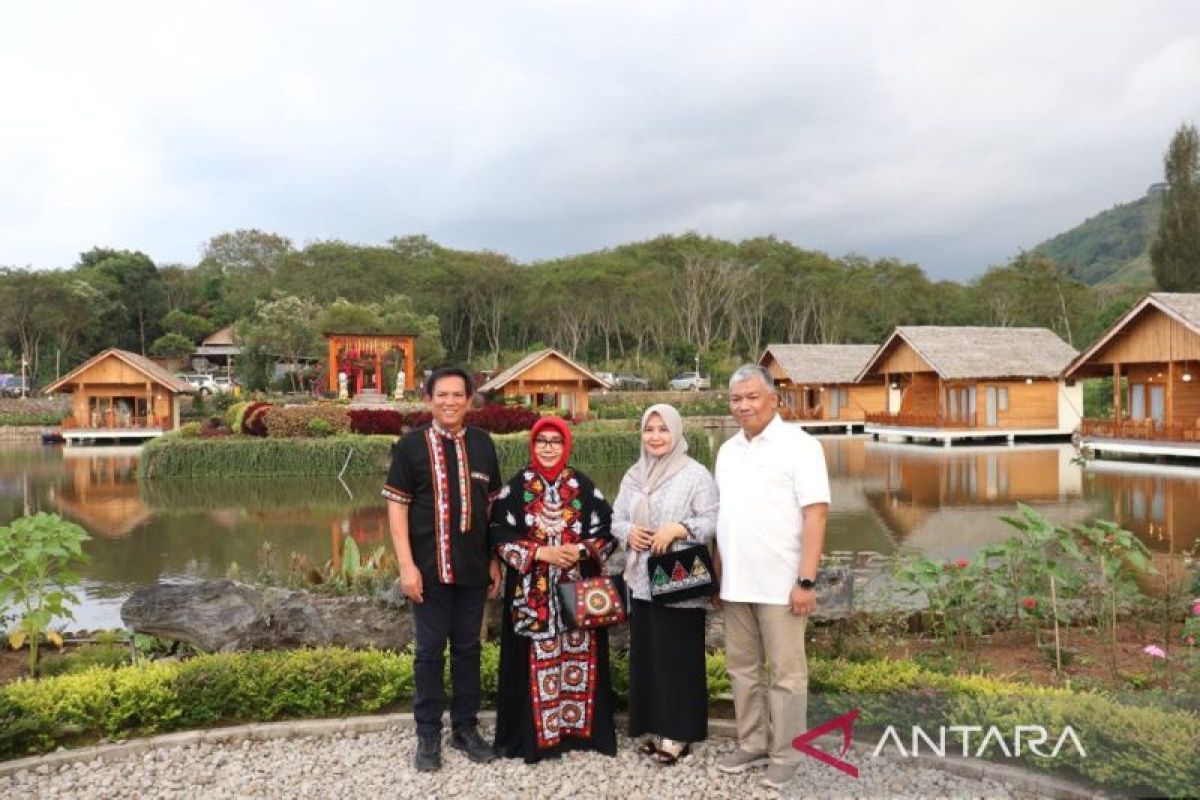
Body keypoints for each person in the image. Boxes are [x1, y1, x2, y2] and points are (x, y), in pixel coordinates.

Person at [714, 364, 830, 791]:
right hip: (736, 584)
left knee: (786, 674)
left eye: (751, 397)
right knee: (742, 670)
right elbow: (724, 518)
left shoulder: (800, 447)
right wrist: (719, 577)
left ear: (774, 400)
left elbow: (815, 514)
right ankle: (753, 742)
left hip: (782, 585)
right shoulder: (727, 451)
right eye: (736, 399)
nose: (743, 406)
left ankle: (787, 754)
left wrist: (806, 581)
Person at [383, 366, 503, 772]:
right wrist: (406, 566)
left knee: (469, 651)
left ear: (469, 400)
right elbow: (397, 508)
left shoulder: (485, 445)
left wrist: (493, 560)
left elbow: (493, 509)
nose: (450, 402)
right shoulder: (410, 447)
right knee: (429, 654)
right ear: (428, 399)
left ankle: (466, 729)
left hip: (473, 570)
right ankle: (428, 735)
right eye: (442, 395)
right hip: (429, 572)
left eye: (458, 395)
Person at [489, 416, 617, 763]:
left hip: (578, 593)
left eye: (555, 441)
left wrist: (579, 550)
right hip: (533, 596)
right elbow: (498, 532)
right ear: (532, 445)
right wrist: (540, 552)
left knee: (578, 657)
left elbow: (608, 528)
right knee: (537, 657)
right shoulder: (516, 487)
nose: (548, 448)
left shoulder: (583, 485)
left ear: (566, 445)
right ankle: (538, 738)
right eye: (542, 441)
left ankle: (577, 733)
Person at [611, 403, 718, 765]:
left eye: (663, 429)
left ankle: (679, 733)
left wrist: (680, 528)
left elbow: (713, 519)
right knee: (650, 657)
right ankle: (655, 726)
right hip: (641, 580)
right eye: (649, 429)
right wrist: (630, 532)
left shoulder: (695, 474)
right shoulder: (634, 475)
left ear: (676, 432)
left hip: (678, 578)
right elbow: (616, 518)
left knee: (678, 657)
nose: (655, 436)